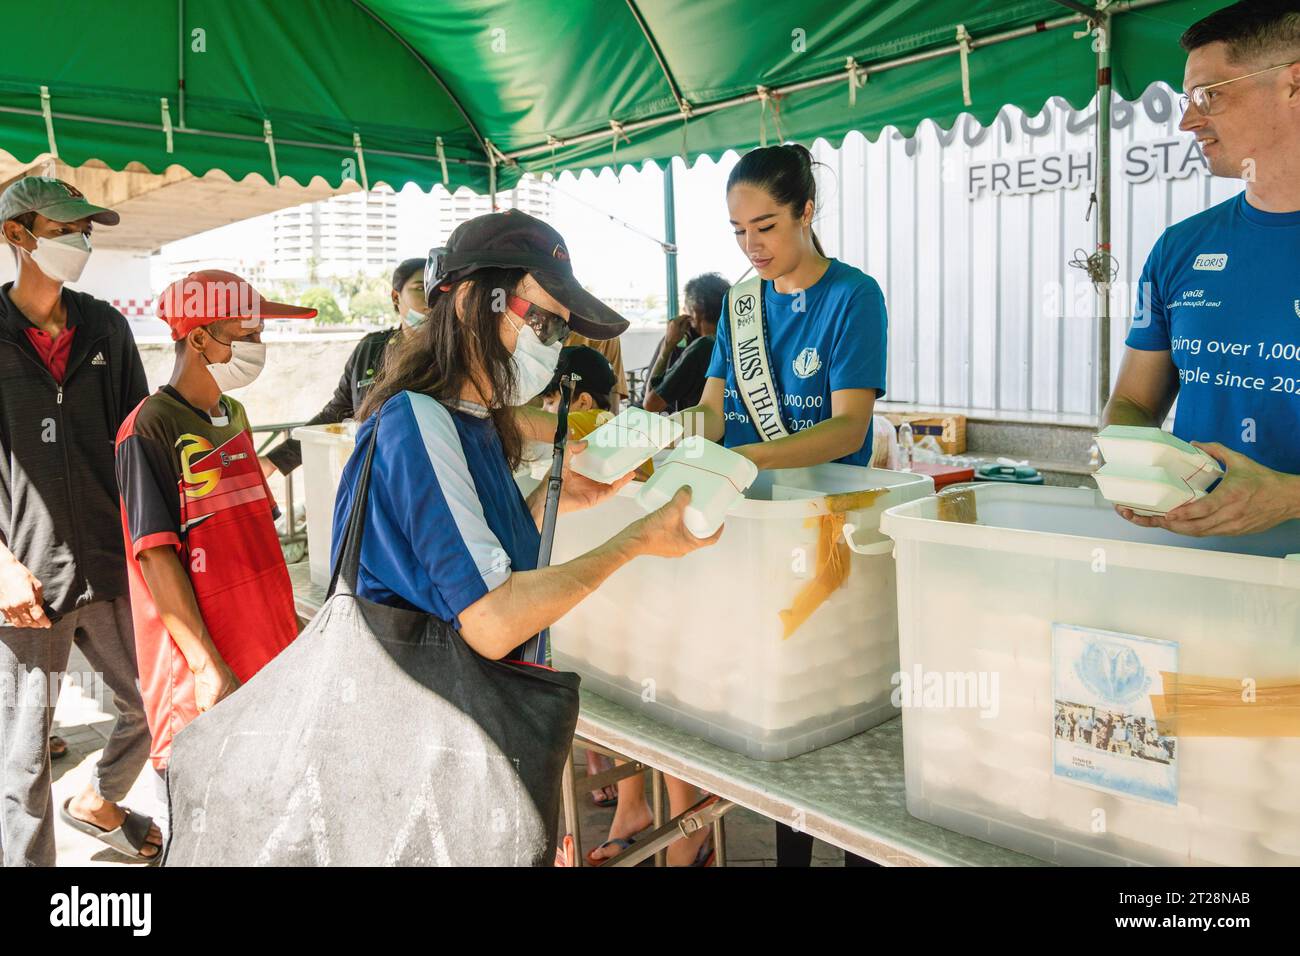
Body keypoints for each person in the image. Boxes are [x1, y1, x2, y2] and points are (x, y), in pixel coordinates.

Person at [331, 210, 718, 861]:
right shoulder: (417, 422)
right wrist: (636, 541)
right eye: (540, 320)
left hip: (472, 739)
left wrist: (548, 501)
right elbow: (492, 619)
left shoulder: (470, 420)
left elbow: (466, 557)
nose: (551, 341)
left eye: (561, 329)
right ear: (472, 305)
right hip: (435, 752)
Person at [672, 143, 887, 868]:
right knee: (774, 700)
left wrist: (747, 456)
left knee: (835, 702)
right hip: (751, 528)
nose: (750, 246)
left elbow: (848, 427)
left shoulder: (854, 297)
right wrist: (665, 438)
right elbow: (712, 409)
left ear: (806, 212)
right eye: (737, 231)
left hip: (830, 526)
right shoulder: (739, 303)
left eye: (765, 226)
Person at [0, 176, 160, 865]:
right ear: (17, 234)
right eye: (65, 229)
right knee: (23, 762)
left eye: (86, 229)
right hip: (26, 585)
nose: (82, 242)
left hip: (111, 562)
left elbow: (138, 443)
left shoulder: (106, 328)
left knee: (156, 706)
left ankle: (99, 799)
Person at [114, 270, 316, 794]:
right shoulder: (148, 428)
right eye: (246, 334)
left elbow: (255, 538)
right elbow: (156, 558)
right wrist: (206, 666)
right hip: (204, 672)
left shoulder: (236, 416)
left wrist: (287, 624)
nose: (258, 346)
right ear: (199, 337)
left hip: (265, 649)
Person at [1105, 1, 1300, 539]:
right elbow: (1132, 401)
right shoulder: (1180, 247)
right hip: (1199, 568)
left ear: (1293, 84)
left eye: (1208, 95)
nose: (1188, 120)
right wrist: (1127, 460)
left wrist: (1287, 498)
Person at [260, 257, 427, 476]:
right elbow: (337, 411)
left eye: (437, 288)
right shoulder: (371, 349)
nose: (431, 298)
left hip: (430, 476)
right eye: (420, 288)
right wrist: (275, 460)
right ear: (396, 297)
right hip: (374, 477)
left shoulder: (457, 352)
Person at [643, 272, 729, 414]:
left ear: (695, 311)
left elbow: (651, 404)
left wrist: (667, 346)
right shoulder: (732, 341)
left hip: (703, 433)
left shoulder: (702, 347)